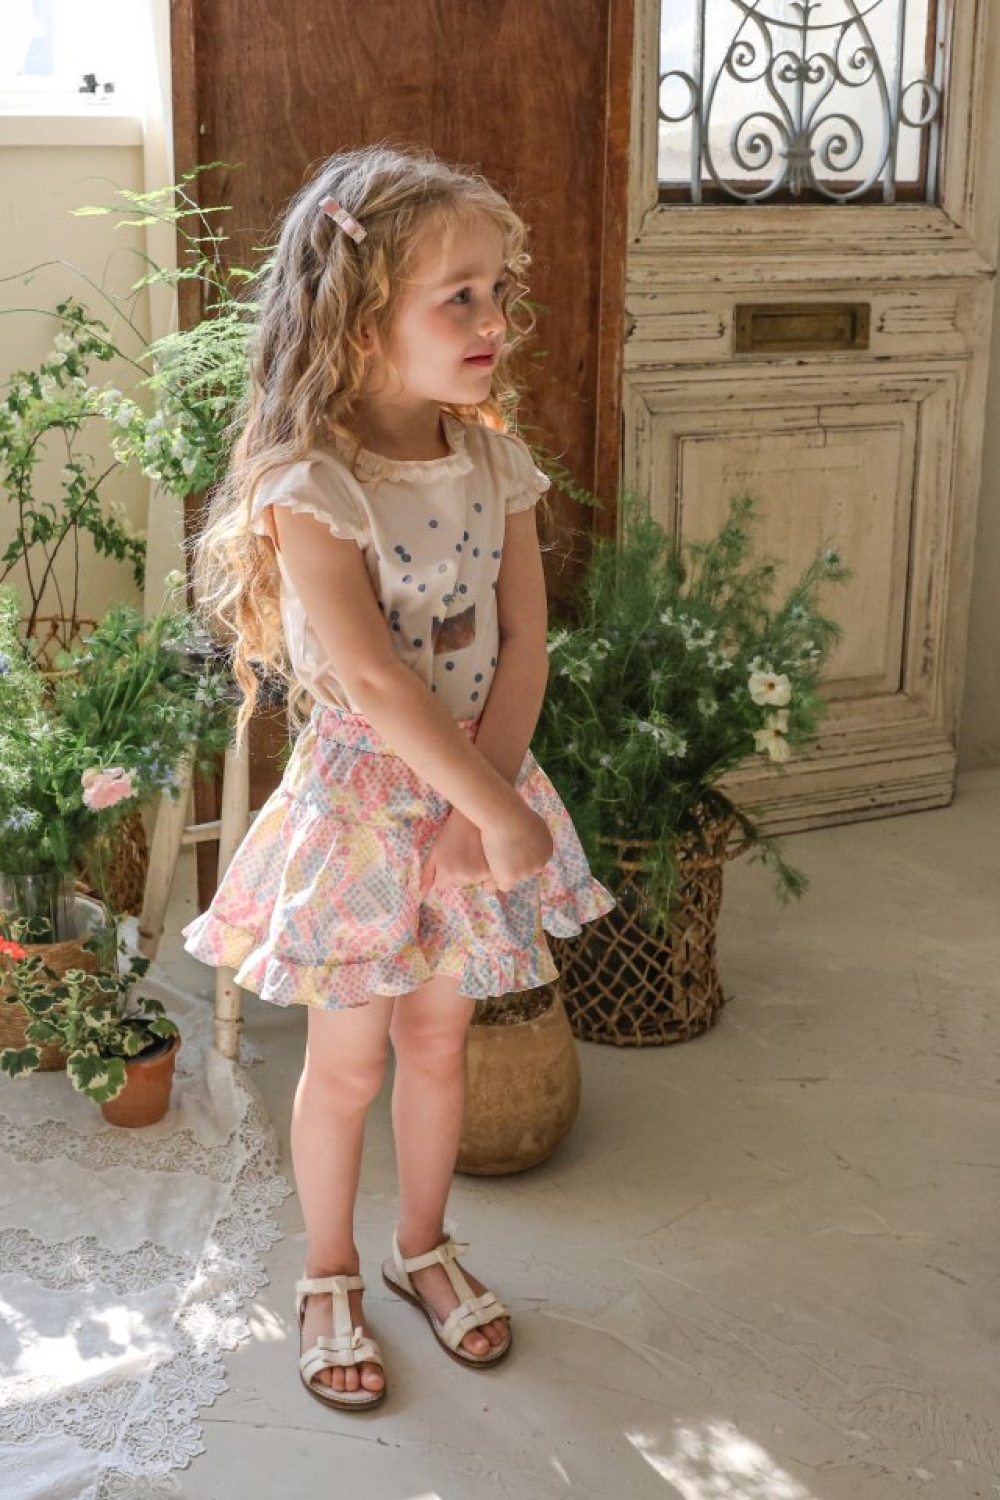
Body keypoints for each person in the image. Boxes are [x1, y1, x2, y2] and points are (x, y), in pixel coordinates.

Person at [181, 142, 615, 1412]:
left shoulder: (495, 462)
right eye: (458, 297)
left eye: (498, 293)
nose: (494, 322)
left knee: (439, 1043)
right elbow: (372, 680)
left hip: (480, 782)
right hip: (364, 813)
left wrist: (492, 802)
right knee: (349, 1062)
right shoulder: (311, 486)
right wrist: (485, 810)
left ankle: (422, 1246)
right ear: (360, 320)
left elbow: (525, 641)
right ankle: (326, 1271)